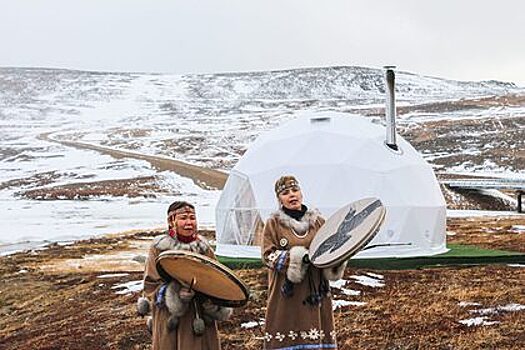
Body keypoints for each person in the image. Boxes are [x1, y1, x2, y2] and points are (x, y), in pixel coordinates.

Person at [262, 176, 346, 350]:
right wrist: (298, 260)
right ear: (279, 199)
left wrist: (338, 258)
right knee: (287, 329)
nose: (292, 195)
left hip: (315, 288)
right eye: (285, 193)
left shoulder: (319, 222)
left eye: (295, 190)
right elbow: (267, 255)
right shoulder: (273, 224)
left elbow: (331, 249)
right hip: (287, 292)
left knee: (315, 330)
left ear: (301, 193)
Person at [139, 201, 232, 350]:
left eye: (192, 218)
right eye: (183, 218)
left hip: (200, 314)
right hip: (170, 319)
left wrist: (212, 296)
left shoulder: (203, 248)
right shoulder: (159, 248)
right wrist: (175, 294)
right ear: (171, 221)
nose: (189, 223)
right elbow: (150, 285)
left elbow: (216, 277)